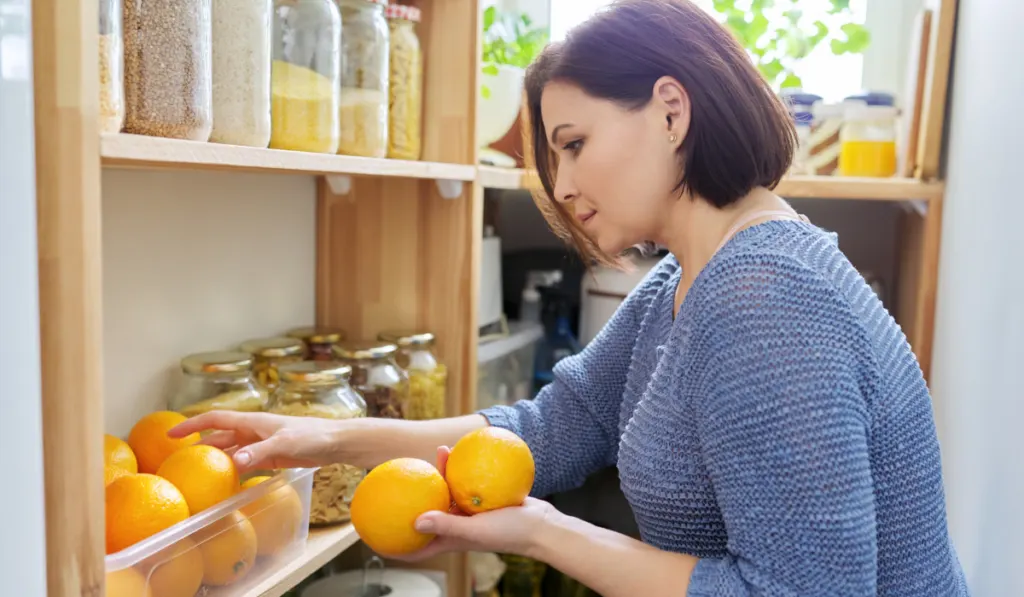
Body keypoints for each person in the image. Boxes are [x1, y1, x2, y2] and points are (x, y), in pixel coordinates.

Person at [172, 0, 969, 594]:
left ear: (670, 110)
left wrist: (551, 533)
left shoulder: (764, 297)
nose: (563, 186)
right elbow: (555, 426)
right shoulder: (687, 277)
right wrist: (322, 440)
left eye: (574, 145)